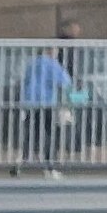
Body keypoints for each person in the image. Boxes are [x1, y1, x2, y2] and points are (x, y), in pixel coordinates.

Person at [20, 42, 72, 170]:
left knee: (32, 131)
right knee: (50, 132)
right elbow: (65, 82)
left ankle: (24, 159)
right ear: (51, 51)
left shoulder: (32, 64)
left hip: (30, 102)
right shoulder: (52, 65)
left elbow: (25, 80)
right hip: (47, 102)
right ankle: (49, 162)